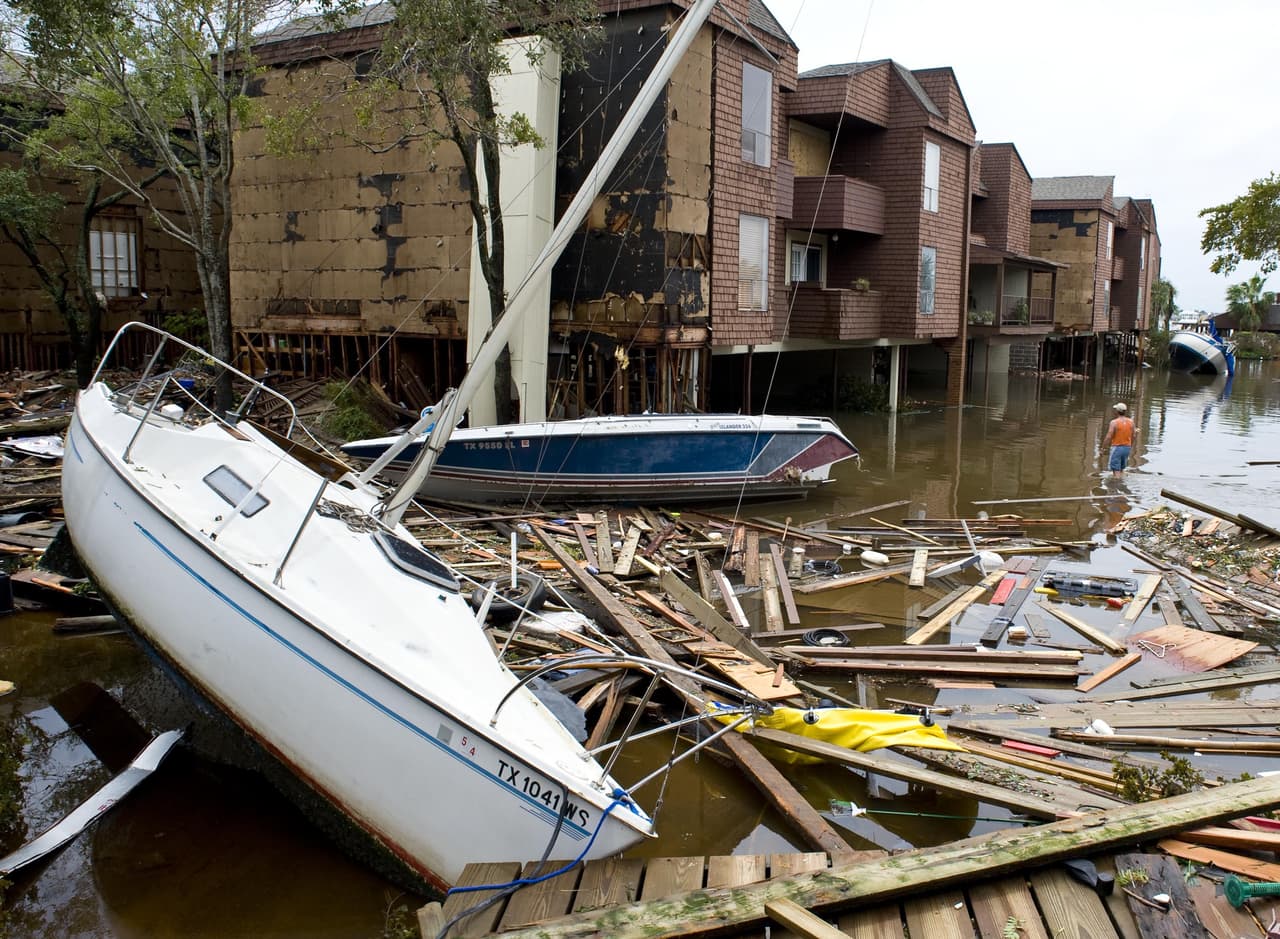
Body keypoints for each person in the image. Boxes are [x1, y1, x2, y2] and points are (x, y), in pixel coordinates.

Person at [1102, 402, 1135, 476]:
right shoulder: (1131, 422)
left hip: (1117, 448)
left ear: (1117, 411)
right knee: (1122, 470)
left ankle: (1117, 483)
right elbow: (1134, 435)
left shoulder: (1114, 422)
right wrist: (1130, 445)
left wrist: (1103, 447)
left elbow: (1109, 436)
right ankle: (1122, 481)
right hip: (1127, 448)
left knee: (1116, 471)